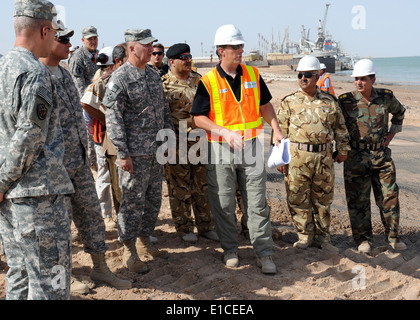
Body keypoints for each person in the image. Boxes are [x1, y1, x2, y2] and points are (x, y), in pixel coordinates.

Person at [40, 26, 132, 292]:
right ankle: (63, 278)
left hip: (78, 161)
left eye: (70, 40)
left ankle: (100, 268)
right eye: (63, 40)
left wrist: (90, 152)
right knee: (59, 227)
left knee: (92, 216)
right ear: (46, 39)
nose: (69, 45)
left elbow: (80, 119)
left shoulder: (67, 75)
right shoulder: (38, 76)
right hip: (54, 167)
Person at [191, 24, 283, 274]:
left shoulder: (253, 74)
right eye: (235, 47)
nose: (241, 50)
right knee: (223, 202)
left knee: (257, 203)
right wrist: (224, 132)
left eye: (241, 46)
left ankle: (264, 253)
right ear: (221, 51)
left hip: (251, 147)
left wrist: (275, 128)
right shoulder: (208, 81)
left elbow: (265, 106)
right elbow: (198, 118)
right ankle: (230, 250)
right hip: (221, 148)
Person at [0, 0, 74, 300]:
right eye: (54, 31)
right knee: (50, 285)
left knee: (19, 276)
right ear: (44, 30)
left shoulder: (4, 67)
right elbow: (30, 134)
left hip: (10, 198)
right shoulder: (34, 72)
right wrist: (3, 180)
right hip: (38, 195)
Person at [103, 29, 174, 274]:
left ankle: (145, 242)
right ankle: (129, 250)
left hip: (155, 152)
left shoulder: (154, 76)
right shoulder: (119, 78)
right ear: (132, 48)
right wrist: (122, 153)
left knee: (153, 199)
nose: (150, 49)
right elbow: (113, 118)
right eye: (145, 45)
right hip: (134, 155)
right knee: (132, 203)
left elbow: (164, 110)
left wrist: (168, 141)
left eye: (152, 44)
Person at [275, 55, 350, 253]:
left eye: (308, 75)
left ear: (317, 76)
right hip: (297, 157)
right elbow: (280, 133)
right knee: (297, 197)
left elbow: (340, 128)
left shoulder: (330, 101)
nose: (303, 78)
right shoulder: (289, 102)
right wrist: (281, 159)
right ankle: (304, 236)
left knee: (323, 200)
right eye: (300, 75)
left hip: (324, 158)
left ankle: (323, 239)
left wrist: (342, 150)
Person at [338, 59, 407, 253]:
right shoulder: (345, 101)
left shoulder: (385, 98)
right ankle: (363, 240)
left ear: (373, 79)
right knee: (358, 201)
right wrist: (341, 148)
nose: (359, 82)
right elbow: (337, 125)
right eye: (356, 79)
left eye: (363, 79)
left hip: (381, 157)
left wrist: (391, 134)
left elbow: (400, 112)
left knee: (389, 196)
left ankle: (393, 237)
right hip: (355, 158)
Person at [162, 43, 218, 244]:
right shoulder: (163, 85)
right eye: (183, 58)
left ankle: (205, 226)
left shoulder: (200, 81)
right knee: (179, 187)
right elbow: (161, 117)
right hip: (175, 142)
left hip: (200, 141)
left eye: (189, 57)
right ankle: (184, 227)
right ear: (172, 62)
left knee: (202, 186)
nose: (188, 61)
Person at [81, 46, 119, 231]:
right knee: (104, 176)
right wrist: (105, 120)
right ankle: (105, 215)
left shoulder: (109, 80)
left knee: (117, 177)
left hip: (114, 137)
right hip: (103, 137)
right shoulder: (100, 83)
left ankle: (117, 214)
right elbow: (86, 106)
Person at [68, 25, 100, 171]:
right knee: (88, 139)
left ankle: (98, 165)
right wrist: (90, 105)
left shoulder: (100, 56)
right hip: (86, 105)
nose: (93, 41)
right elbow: (79, 86)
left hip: (100, 104)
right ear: (82, 40)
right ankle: (90, 167)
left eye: (95, 38)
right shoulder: (78, 57)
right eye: (90, 39)